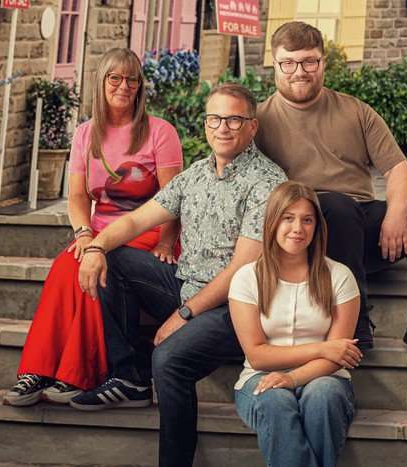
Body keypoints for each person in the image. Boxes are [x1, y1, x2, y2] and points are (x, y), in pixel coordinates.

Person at [73, 83, 287, 467]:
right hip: (186, 286)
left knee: (169, 359)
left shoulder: (268, 183)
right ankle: (131, 377)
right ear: (205, 125)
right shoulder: (196, 175)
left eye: (234, 119)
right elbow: (139, 218)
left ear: (251, 127)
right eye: (215, 118)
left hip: (236, 308)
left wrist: (183, 314)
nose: (223, 127)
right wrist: (94, 247)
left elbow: (241, 271)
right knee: (116, 258)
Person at [255, 21, 407, 368]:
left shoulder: (354, 110)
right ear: (274, 65)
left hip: (364, 228)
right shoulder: (260, 121)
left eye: (309, 62)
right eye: (288, 63)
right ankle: (354, 321)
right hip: (308, 235)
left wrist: (395, 215)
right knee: (335, 206)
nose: (299, 72)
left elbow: (398, 169)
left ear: (323, 63)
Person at [3, 48, 183, 406]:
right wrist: (84, 233)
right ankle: (36, 370)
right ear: (101, 83)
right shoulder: (86, 133)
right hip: (99, 231)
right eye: (114, 78)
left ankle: (76, 375)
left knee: (98, 271)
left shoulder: (161, 132)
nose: (124, 86)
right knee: (63, 269)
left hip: (146, 231)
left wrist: (167, 243)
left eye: (132, 79)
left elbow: (173, 199)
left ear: (140, 86)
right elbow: (77, 197)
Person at [229, 181, 362, 467]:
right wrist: (324, 348)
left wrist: (291, 377)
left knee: (322, 395)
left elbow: (338, 357)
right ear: (272, 222)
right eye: (288, 218)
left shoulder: (339, 276)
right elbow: (258, 355)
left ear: (317, 227)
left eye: (307, 220)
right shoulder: (246, 278)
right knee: (275, 401)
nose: (297, 228)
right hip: (258, 377)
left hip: (326, 379)